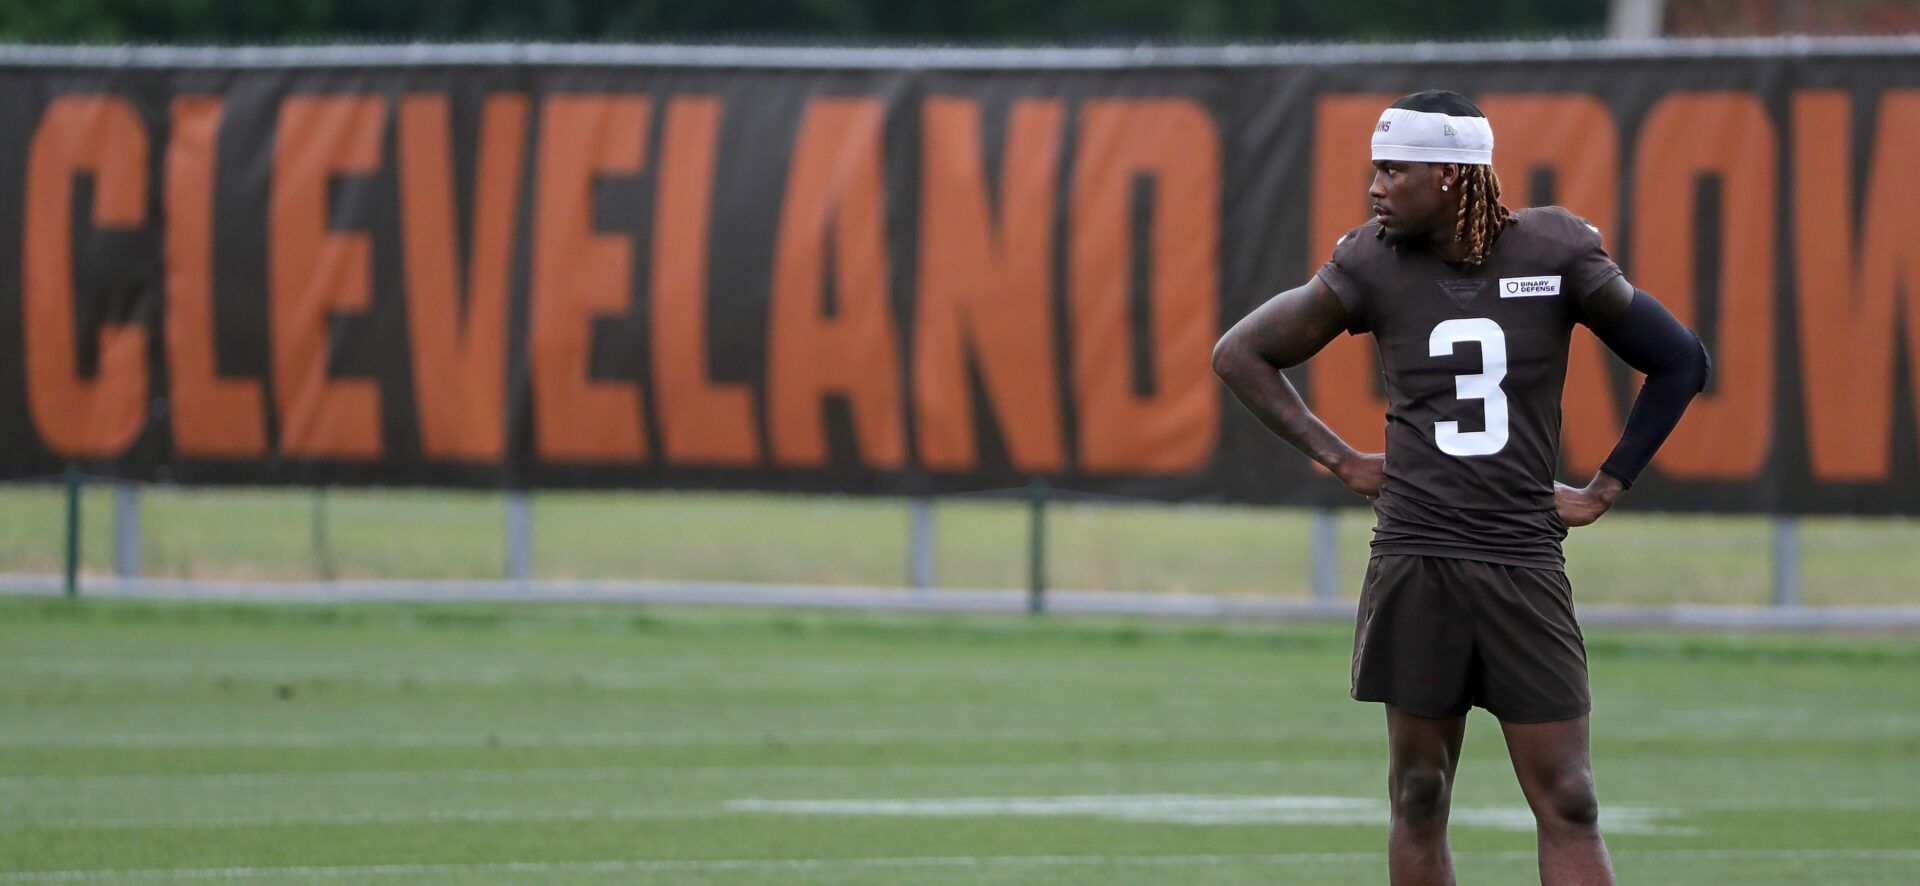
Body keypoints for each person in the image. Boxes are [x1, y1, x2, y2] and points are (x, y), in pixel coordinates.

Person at [1211, 90, 1709, 886]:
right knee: (1419, 792)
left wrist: (1605, 486)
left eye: (1392, 170)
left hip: (1522, 556)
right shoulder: (1371, 260)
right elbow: (1241, 353)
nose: (1374, 187)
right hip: (1417, 555)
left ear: (1448, 173)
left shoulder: (1557, 252)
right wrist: (1341, 459)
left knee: (1570, 797)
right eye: (1375, 169)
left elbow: (1680, 359)